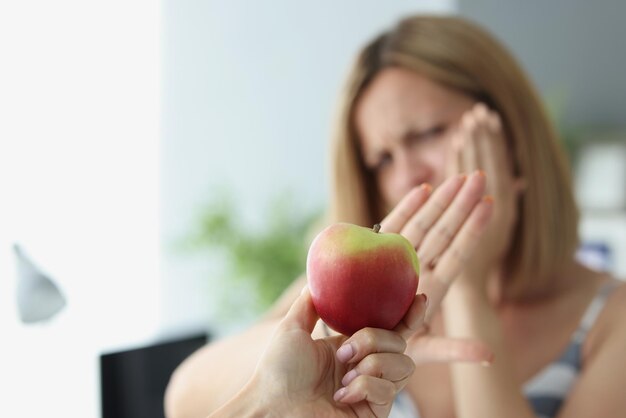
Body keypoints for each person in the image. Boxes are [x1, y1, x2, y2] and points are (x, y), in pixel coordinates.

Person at [165, 15, 626, 418]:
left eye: (428, 133)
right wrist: (327, 342)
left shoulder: (609, 319)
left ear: (512, 137)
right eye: (382, 160)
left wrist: (469, 293)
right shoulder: (356, 299)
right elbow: (184, 399)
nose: (406, 175)